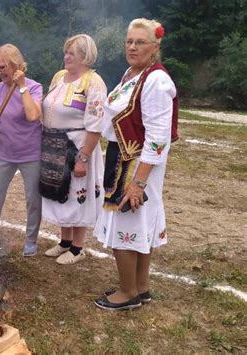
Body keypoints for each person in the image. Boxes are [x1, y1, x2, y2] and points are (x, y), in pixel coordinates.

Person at [93, 18, 178, 311]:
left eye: (140, 42)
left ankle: (127, 292)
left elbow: (158, 136)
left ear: (155, 47)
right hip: (124, 156)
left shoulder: (156, 80)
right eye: (129, 41)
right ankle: (141, 287)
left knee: (126, 217)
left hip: (138, 162)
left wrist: (138, 182)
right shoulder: (133, 73)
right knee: (139, 221)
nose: (132, 46)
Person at [41, 34, 106, 265]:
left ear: (85, 56)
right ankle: (65, 241)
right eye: (66, 51)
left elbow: (96, 123)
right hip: (54, 145)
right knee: (61, 192)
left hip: (78, 146)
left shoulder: (93, 82)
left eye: (72, 53)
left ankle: (78, 247)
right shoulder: (59, 77)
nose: (66, 56)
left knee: (78, 193)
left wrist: (83, 158)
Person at [0, 44, 43, 257]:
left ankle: (31, 240)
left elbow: (32, 115)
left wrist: (22, 86)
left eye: (3, 67)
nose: (0, 73)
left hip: (30, 154)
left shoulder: (34, 88)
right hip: (3, 154)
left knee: (33, 199)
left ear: (16, 65)